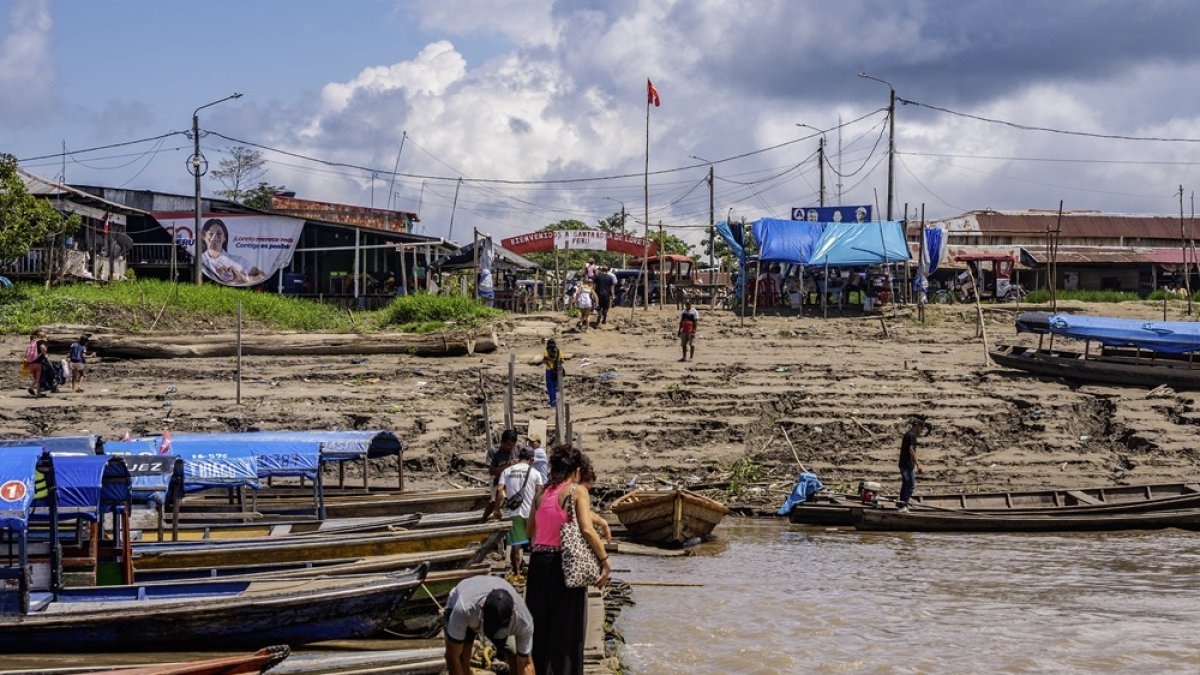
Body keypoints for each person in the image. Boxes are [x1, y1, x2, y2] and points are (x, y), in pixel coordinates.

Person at [526, 445, 612, 675]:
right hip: (564, 567)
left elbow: (529, 531)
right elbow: (586, 528)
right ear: (576, 470)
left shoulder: (541, 493)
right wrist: (604, 559)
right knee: (568, 632)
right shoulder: (576, 491)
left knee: (541, 630)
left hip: (537, 565)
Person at [443, 575, 534, 675]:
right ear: (482, 608)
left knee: (514, 654)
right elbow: (453, 656)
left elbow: (525, 664)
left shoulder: (523, 621)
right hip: (466, 611)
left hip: (484, 615)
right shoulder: (463, 609)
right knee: (463, 656)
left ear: (513, 612)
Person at [497, 446, 546, 575]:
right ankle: (536, 573)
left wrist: (497, 509)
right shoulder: (536, 473)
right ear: (531, 459)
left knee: (516, 545)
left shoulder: (507, 471)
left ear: (519, 458)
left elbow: (500, 491)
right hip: (530, 513)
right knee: (535, 544)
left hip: (514, 513)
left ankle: (517, 573)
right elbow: (539, 494)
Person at [199, 219, 264, 285]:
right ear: (204, 236)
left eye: (219, 234)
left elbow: (262, 276)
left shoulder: (238, 261)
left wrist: (242, 277)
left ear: (224, 237)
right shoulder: (199, 260)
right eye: (210, 234)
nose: (214, 237)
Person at [481, 429, 519, 522]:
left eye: (513, 445)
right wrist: (508, 466)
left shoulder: (518, 448)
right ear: (502, 442)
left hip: (516, 480)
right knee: (497, 499)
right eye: (509, 445)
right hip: (499, 481)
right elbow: (492, 471)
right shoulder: (494, 451)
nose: (511, 448)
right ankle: (484, 518)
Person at [897, 418, 929, 512]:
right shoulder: (912, 436)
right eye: (922, 428)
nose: (921, 431)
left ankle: (901, 504)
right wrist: (918, 464)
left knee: (905, 484)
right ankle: (903, 505)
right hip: (907, 465)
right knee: (911, 485)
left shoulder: (907, 434)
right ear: (917, 426)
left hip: (902, 464)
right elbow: (911, 450)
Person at [24, 329, 47, 397]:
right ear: (39, 334)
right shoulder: (40, 341)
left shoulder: (31, 343)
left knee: (36, 378)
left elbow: (26, 353)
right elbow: (43, 347)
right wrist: (45, 354)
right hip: (38, 363)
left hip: (31, 363)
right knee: (39, 378)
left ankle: (37, 391)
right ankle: (34, 389)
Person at [544, 339, 563, 408]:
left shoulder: (546, 351)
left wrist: (550, 365)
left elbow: (545, 360)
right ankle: (556, 401)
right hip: (557, 371)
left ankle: (552, 401)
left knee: (550, 386)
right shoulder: (559, 351)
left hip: (549, 370)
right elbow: (561, 360)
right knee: (556, 386)